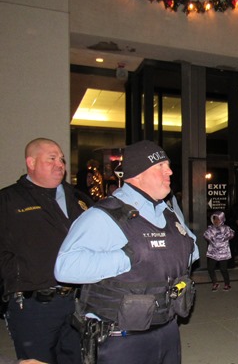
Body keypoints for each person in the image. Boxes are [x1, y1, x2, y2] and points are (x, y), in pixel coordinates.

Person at [54, 140, 199, 364]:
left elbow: (193, 250)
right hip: (122, 338)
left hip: (167, 328)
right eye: (160, 166)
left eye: (168, 165)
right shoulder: (105, 215)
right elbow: (65, 267)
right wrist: (129, 257)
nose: (169, 171)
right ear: (137, 173)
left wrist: (168, 250)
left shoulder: (168, 211)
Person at [0, 137, 93, 363]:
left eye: (61, 159)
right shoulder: (8, 200)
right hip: (33, 305)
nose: (60, 164)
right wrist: (15, 278)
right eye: (51, 158)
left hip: (76, 302)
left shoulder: (79, 198)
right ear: (31, 163)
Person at [204, 211, 235, 291]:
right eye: (214, 219)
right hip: (213, 252)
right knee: (210, 268)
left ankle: (227, 283)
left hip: (223, 252)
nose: (216, 221)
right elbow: (206, 235)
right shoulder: (211, 228)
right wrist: (210, 238)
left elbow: (232, 234)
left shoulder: (226, 228)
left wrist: (226, 237)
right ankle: (215, 282)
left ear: (222, 219)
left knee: (223, 269)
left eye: (218, 219)